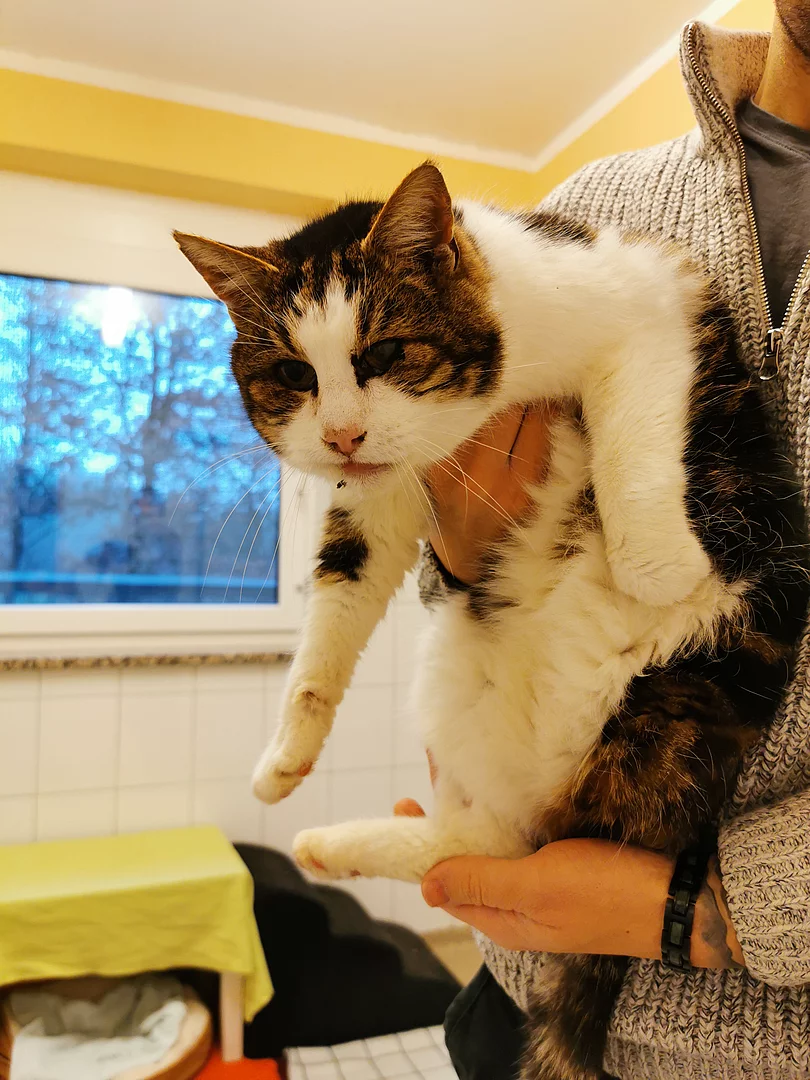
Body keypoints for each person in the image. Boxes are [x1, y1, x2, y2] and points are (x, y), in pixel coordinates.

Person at [400, 5, 810, 1078]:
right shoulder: (589, 213)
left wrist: (706, 909)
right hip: (515, 1001)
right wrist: (458, 563)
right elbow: (460, 545)